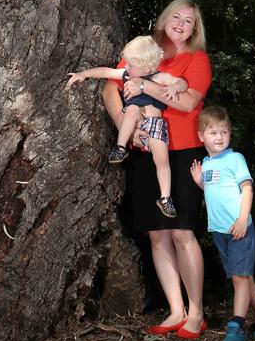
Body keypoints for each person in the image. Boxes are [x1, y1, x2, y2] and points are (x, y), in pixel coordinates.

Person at [102, 0, 211, 340]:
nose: (180, 24)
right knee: (157, 234)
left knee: (182, 232)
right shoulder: (145, 49)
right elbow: (111, 87)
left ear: (196, 29)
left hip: (183, 151)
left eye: (189, 21)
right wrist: (128, 127)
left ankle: (196, 313)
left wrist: (148, 86)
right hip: (145, 152)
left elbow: (189, 101)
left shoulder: (197, 58)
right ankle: (175, 310)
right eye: (175, 16)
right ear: (164, 18)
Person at [67, 35, 189, 218]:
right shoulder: (126, 74)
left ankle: (165, 198)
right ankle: (120, 147)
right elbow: (106, 72)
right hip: (135, 120)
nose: (126, 67)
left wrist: (175, 88)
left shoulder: (158, 77)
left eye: (131, 65)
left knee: (162, 160)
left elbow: (182, 82)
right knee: (131, 108)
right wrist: (83, 74)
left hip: (154, 124)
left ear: (147, 67)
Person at [190, 105, 255, 341]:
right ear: (201, 136)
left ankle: (237, 325)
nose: (219, 137)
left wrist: (241, 220)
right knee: (243, 277)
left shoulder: (235, 159)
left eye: (224, 132)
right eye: (213, 133)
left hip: (240, 228)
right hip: (220, 231)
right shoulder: (206, 164)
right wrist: (200, 183)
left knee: (239, 278)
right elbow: (216, 192)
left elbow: (246, 189)